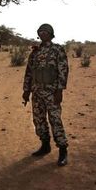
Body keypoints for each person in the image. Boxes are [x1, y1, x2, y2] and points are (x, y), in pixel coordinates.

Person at [22, 23, 69, 166]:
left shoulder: (57, 50)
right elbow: (29, 72)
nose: (42, 33)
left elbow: (63, 71)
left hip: (52, 92)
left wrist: (60, 90)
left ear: (51, 34)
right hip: (36, 92)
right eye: (40, 31)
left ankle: (62, 150)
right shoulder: (35, 52)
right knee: (38, 120)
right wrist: (26, 91)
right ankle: (45, 145)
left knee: (55, 120)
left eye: (45, 31)